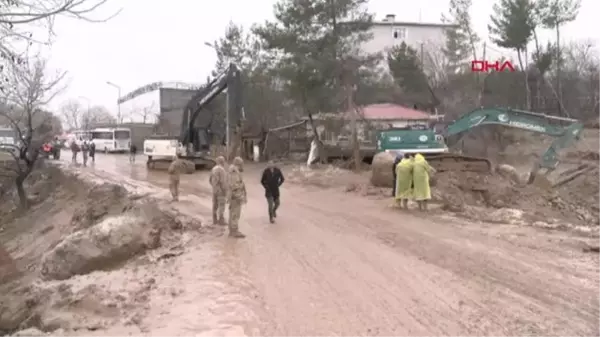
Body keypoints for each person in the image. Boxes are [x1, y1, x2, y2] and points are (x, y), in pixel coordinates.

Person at [227, 156, 247, 238]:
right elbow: (234, 186)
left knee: (233, 213)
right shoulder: (234, 172)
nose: (243, 165)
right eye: (242, 164)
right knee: (235, 214)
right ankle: (234, 231)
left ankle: (232, 230)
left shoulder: (234, 171)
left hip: (234, 196)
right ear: (239, 164)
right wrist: (239, 197)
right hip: (235, 196)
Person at [209, 156, 228, 226]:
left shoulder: (213, 169)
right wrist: (224, 190)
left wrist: (214, 186)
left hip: (214, 190)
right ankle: (221, 220)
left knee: (215, 205)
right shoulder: (222, 170)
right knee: (221, 205)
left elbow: (210, 180)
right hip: (220, 190)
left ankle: (214, 219)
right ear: (222, 162)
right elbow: (223, 182)